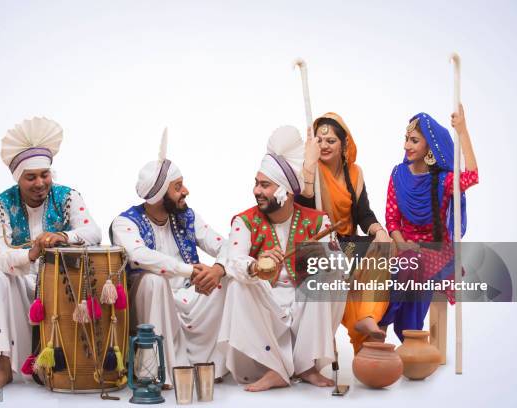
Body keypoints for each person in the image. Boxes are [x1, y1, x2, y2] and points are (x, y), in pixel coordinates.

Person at [218, 126, 345, 392]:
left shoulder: (317, 220)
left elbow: (339, 264)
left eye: (265, 185)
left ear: (285, 192)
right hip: (265, 302)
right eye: (256, 183)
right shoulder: (245, 221)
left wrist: (314, 258)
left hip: (302, 303)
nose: (256, 191)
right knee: (237, 284)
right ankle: (274, 367)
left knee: (330, 279)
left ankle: (307, 366)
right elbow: (233, 261)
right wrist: (255, 266)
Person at [0, 117, 102, 388]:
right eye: (31, 177)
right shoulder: (2, 203)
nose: (40, 183)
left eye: (44, 175)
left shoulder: (68, 196)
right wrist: (31, 254)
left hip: (61, 281)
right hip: (22, 277)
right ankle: (3, 365)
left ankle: (66, 366)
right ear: (18, 179)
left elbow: (93, 232)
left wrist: (63, 236)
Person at [111, 129, 229, 387]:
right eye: (177, 187)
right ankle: (156, 370)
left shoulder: (187, 215)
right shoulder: (124, 223)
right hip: (151, 301)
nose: (185, 191)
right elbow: (140, 256)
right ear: (158, 195)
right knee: (154, 280)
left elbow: (226, 246)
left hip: (190, 296)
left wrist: (217, 269)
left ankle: (209, 366)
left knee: (229, 277)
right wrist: (189, 271)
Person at [378, 105, 478, 340]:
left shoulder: (444, 180)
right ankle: (397, 331)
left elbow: (472, 175)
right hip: (404, 248)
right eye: (406, 139)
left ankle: (399, 331)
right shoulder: (397, 174)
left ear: (429, 147)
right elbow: (392, 220)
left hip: (437, 252)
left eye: (414, 140)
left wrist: (462, 131)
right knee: (403, 263)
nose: (406, 146)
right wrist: (402, 245)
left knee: (415, 267)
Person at [297, 112, 390, 353]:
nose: (324, 145)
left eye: (331, 141)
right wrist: (308, 165)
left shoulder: (355, 173)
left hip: (348, 243)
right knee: (340, 267)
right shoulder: (310, 170)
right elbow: (304, 207)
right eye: (319, 140)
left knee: (383, 249)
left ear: (343, 144)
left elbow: (363, 214)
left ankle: (367, 317)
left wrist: (378, 230)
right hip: (321, 244)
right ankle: (361, 330)